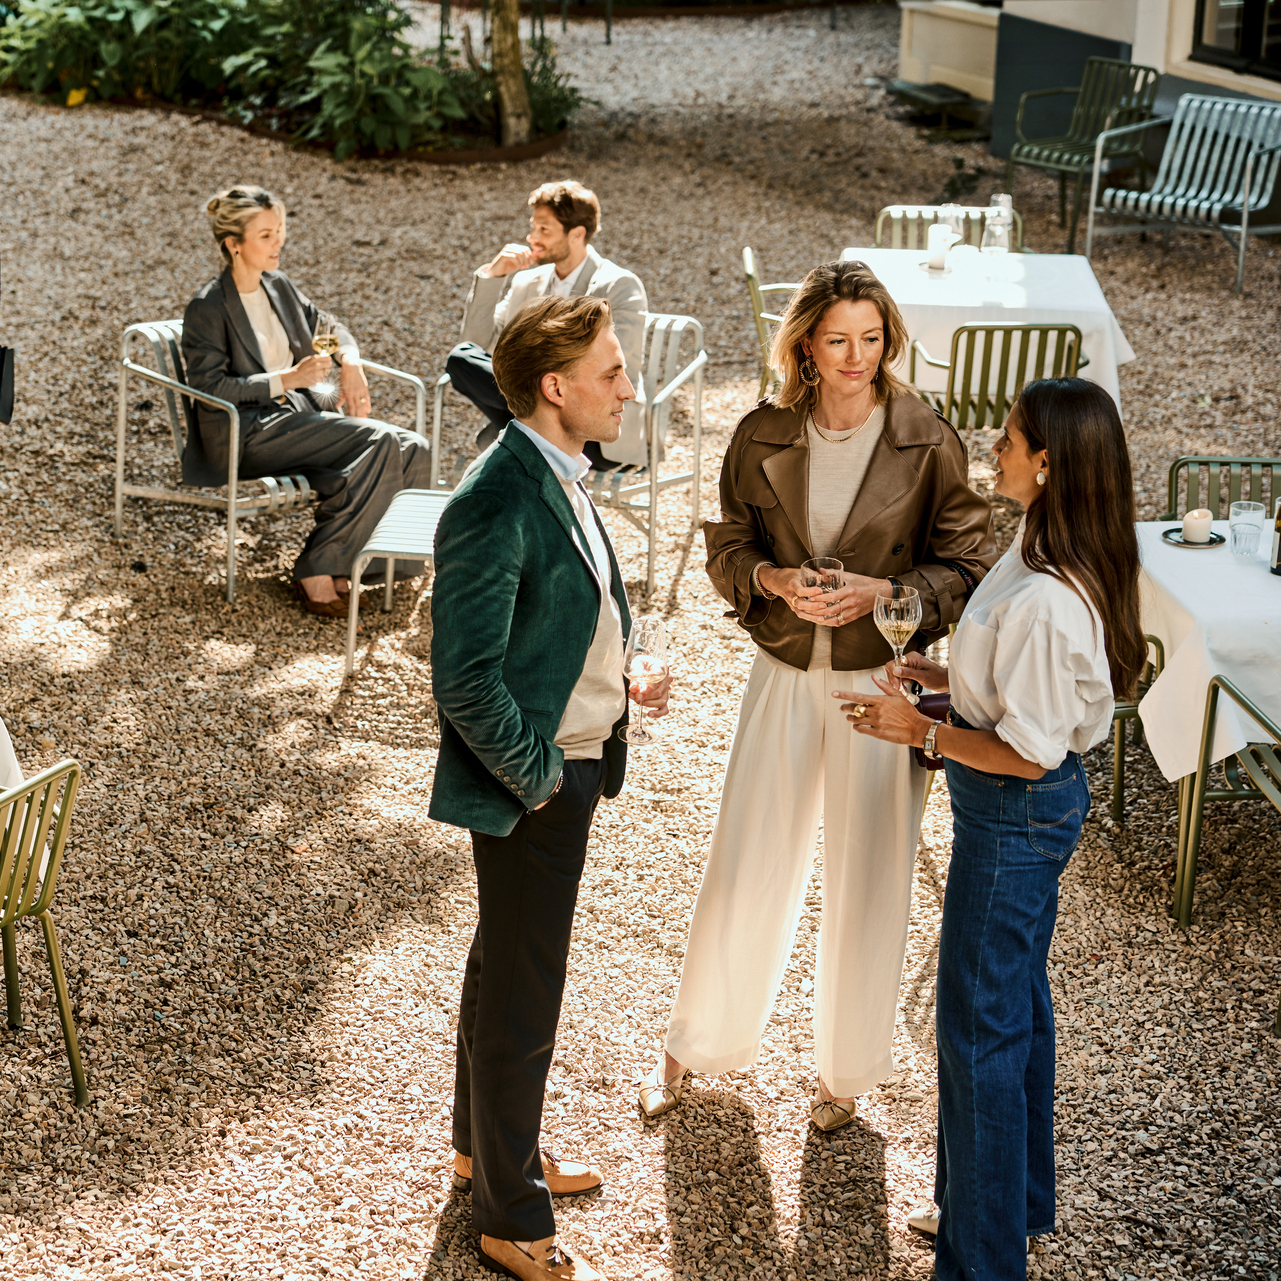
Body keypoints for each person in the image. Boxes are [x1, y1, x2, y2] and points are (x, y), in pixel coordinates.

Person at [637, 259, 996, 1131]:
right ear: (804, 344)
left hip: (882, 678)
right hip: (785, 672)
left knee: (871, 875)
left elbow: (969, 564)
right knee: (745, 856)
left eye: (870, 338)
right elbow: (727, 542)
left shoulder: (925, 436)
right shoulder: (762, 431)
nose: (856, 357)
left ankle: (844, 1074)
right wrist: (771, 579)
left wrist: (885, 593)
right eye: (837, 340)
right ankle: (692, 1044)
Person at [837, 378, 1146, 1278]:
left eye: (1007, 440)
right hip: (1011, 816)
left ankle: (981, 1259)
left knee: (978, 1031)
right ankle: (1009, 1205)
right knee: (1014, 1009)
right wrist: (944, 677)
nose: (993, 449)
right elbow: (1014, 687)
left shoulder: (1050, 597)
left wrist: (921, 731)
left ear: (1046, 463)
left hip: (1015, 818)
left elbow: (1031, 753)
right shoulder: (1038, 540)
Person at [429, 295, 672, 1281]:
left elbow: (578, 607)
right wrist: (539, 781)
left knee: (503, 966)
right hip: (536, 779)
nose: (629, 387)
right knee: (524, 998)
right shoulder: (493, 498)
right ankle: (509, 1214)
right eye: (612, 372)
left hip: (571, 758)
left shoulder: (559, 467)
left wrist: (625, 667)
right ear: (555, 387)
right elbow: (464, 679)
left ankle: (484, 1153)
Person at [182, 185, 433, 618]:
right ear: (233, 244)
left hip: (298, 418)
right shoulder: (209, 306)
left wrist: (350, 362)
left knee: (415, 446)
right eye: (265, 235)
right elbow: (210, 387)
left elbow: (331, 328)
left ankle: (372, 564)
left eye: (279, 231)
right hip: (249, 430)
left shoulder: (278, 286)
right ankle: (317, 568)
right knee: (379, 441)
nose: (278, 242)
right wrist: (287, 379)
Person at [447, 180, 649, 471]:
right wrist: (494, 276)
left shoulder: (618, 285)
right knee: (461, 359)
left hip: (596, 427)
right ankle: (534, 414)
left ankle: (532, 410)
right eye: (533, 227)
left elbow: (613, 366)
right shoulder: (526, 282)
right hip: (537, 417)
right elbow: (476, 342)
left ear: (577, 234)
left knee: (524, 387)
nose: (532, 238)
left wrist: (536, 372)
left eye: (544, 229)